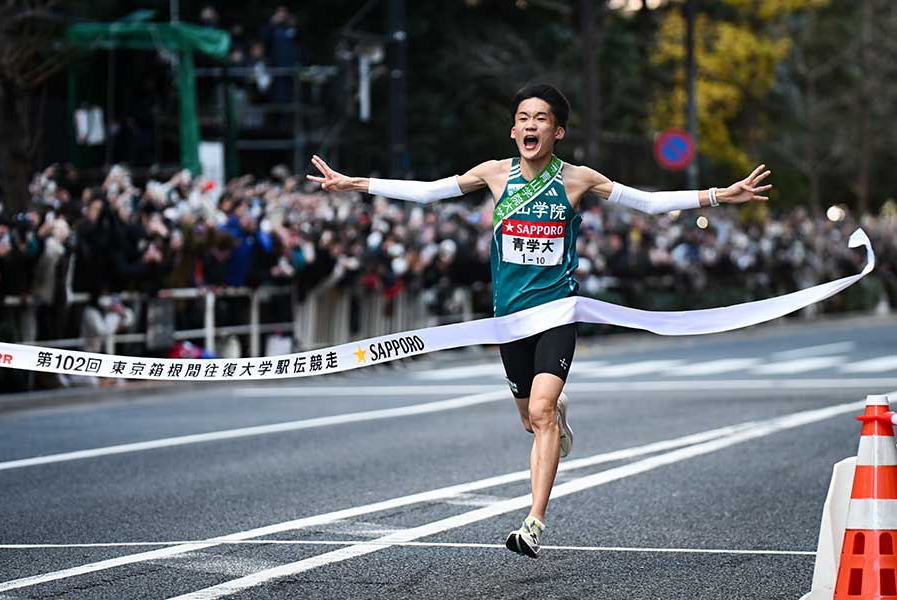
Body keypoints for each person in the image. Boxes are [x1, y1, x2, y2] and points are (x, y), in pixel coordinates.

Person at [307, 83, 772, 559]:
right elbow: (429, 193)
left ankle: (534, 522)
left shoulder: (577, 180)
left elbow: (647, 203)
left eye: (542, 119)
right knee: (530, 419)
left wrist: (720, 195)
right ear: (513, 130)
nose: (531, 125)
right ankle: (555, 416)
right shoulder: (493, 173)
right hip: (508, 321)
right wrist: (355, 184)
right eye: (524, 118)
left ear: (558, 131)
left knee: (542, 411)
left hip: (557, 312)